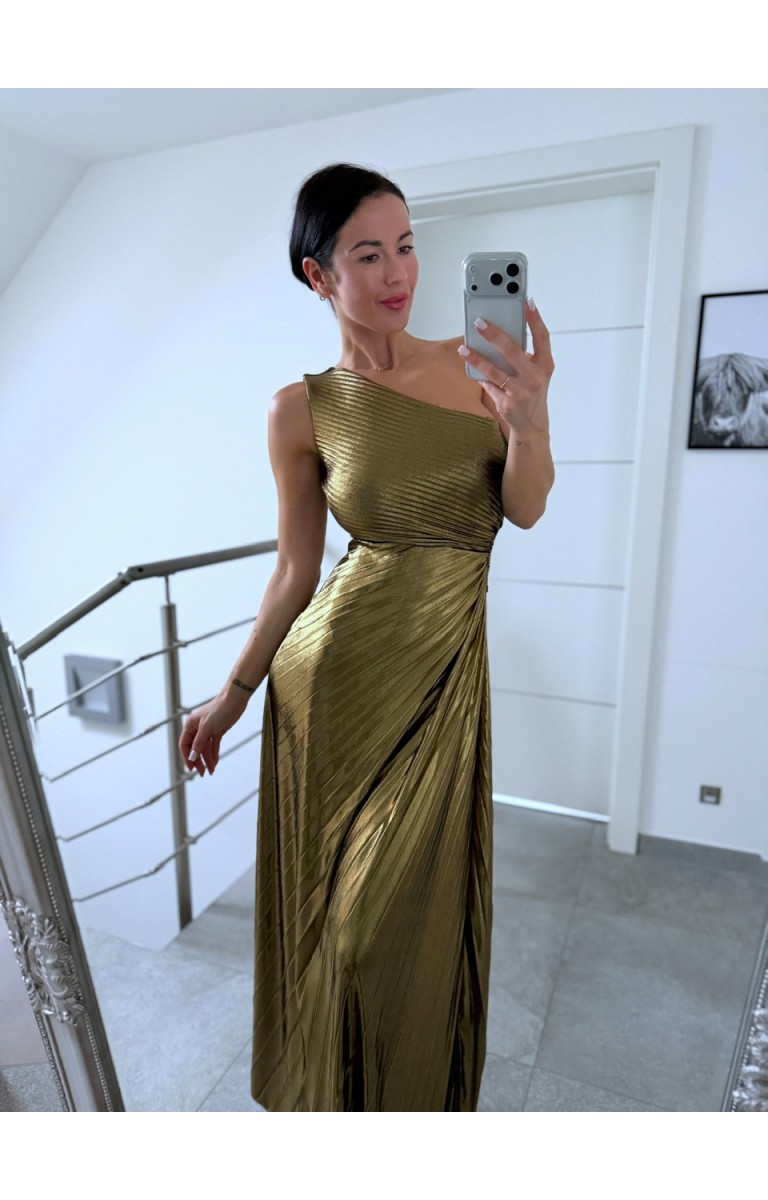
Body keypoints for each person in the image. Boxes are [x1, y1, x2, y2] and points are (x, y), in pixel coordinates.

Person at [179, 163, 555, 1111]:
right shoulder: (298, 410)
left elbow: (524, 509)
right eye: (369, 254)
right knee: (340, 934)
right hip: (334, 683)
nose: (399, 273)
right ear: (319, 275)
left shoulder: (481, 366)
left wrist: (530, 418)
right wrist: (232, 693)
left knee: (383, 929)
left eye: (408, 246)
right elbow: (295, 572)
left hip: (440, 681)